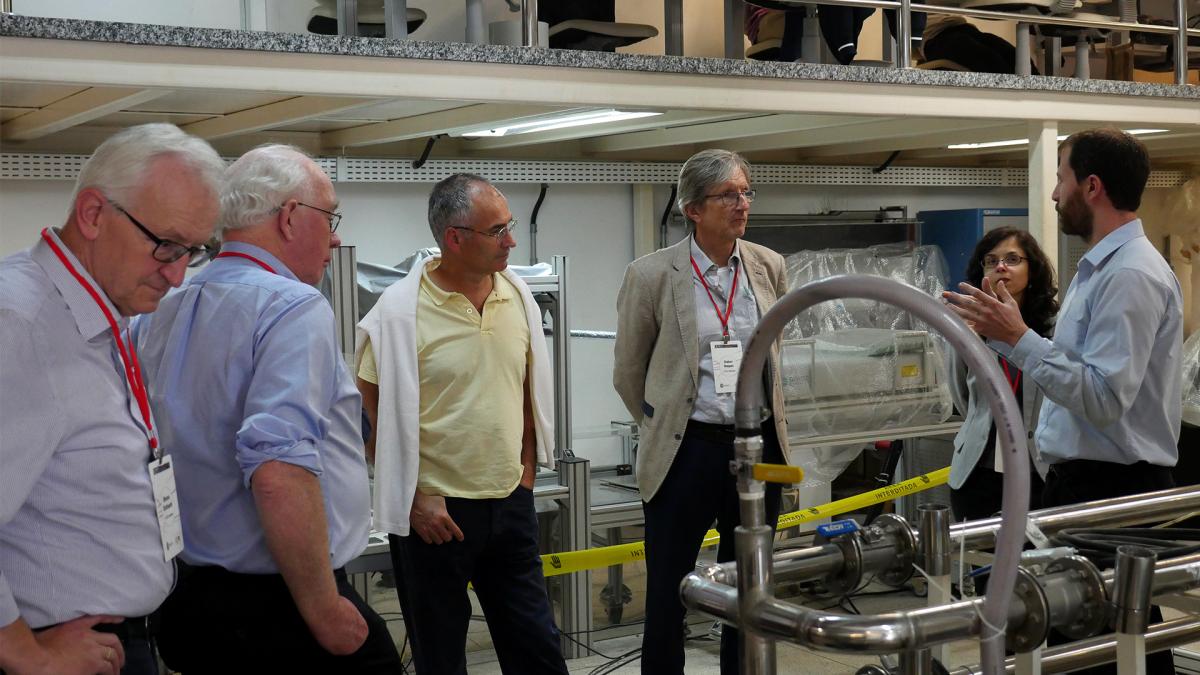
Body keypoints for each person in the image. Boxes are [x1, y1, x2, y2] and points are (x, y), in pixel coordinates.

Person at [131, 144, 400, 673]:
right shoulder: (291, 306)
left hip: (188, 598)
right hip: (283, 609)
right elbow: (278, 469)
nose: (336, 238)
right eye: (330, 218)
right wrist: (323, 610)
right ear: (291, 216)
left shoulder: (163, 307)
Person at [944, 128, 1183, 675]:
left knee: (1110, 643)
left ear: (1091, 187)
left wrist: (1019, 338)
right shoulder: (1099, 269)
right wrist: (1013, 338)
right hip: (1079, 483)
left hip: (1113, 486)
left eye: (1061, 179)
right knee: (1092, 639)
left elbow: (1103, 398)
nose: (1054, 193)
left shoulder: (1130, 275)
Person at [0, 123, 224, 675]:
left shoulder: (101, 309)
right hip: (59, 647)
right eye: (165, 245)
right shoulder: (20, 323)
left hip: (114, 639)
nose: (177, 275)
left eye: (193, 252)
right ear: (93, 214)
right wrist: (24, 653)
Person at [356, 173, 567, 675]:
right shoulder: (399, 313)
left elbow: (527, 390)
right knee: (441, 658)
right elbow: (365, 413)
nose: (511, 240)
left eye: (510, 226)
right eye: (497, 231)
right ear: (454, 237)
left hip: (510, 502)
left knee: (538, 650)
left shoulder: (517, 296)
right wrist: (413, 498)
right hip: (436, 515)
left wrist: (526, 472)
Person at [613, 149, 790, 675]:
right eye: (728, 195)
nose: (742, 204)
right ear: (692, 209)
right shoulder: (651, 275)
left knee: (749, 587)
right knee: (670, 591)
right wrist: (664, 423)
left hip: (757, 445)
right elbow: (628, 371)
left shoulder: (768, 266)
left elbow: (775, 357)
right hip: (686, 448)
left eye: (746, 192)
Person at [948, 227, 1058, 523]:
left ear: (1032, 269)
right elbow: (962, 395)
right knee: (981, 552)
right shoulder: (968, 326)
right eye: (991, 260)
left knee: (1036, 551)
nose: (1001, 267)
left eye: (1012, 259)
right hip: (979, 471)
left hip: (1039, 471)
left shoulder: (1054, 327)